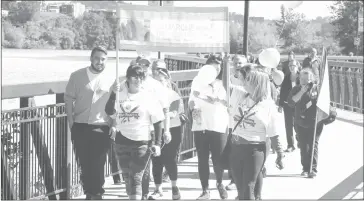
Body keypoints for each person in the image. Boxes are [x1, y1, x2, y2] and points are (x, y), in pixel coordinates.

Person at [113, 56, 172, 199]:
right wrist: (114, 125)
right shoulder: (122, 86)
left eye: (146, 66)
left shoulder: (154, 86)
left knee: (139, 175)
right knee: (130, 176)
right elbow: (115, 110)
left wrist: (166, 131)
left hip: (146, 133)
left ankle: (141, 195)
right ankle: (139, 195)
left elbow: (164, 109)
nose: (142, 68)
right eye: (139, 65)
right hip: (125, 135)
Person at [64, 46, 115, 199]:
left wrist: (115, 124)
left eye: (103, 59)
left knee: (98, 162)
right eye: (97, 58)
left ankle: (97, 193)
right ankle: (89, 192)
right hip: (80, 126)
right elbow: (68, 98)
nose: (100, 62)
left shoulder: (112, 78)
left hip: (101, 126)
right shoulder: (77, 76)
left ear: (107, 60)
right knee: (84, 163)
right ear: (91, 59)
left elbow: (118, 103)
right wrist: (71, 121)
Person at [229, 63, 284, 200]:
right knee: (240, 189)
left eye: (248, 80)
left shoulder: (268, 106)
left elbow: (274, 133)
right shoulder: (240, 95)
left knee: (248, 187)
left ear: (257, 84)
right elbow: (225, 85)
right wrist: (226, 63)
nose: (244, 82)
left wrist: (280, 154)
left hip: (254, 149)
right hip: (236, 147)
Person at [189, 55, 229, 200]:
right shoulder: (197, 80)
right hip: (201, 125)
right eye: (213, 66)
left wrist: (212, 99)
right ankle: (205, 190)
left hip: (218, 124)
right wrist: (193, 107)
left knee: (218, 159)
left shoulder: (223, 82)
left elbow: (225, 102)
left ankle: (219, 183)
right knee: (202, 158)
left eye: (218, 67)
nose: (216, 69)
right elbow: (191, 100)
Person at [148, 60, 187, 200]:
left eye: (161, 71)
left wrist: (166, 114)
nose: (157, 73)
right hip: (156, 128)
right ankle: (158, 189)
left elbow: (177, 110)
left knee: (170, 159)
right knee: (156, 159)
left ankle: (174, 186)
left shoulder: (173, 90)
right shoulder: (149, 90)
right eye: (155, 70)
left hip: (173, 128)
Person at [287, 68, 323, 178]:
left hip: (315, 121)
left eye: (307, 79)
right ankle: (305, 168)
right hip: (300, 122)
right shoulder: (296, 89)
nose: (304, 81)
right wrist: (302, 91)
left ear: (312, 79)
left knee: (313, 144)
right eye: (302, 79)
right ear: (299, 79)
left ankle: (313, 168)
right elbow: (291, 103)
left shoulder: (317, 89)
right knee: (303, 145)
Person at [225, 55, 248, 191]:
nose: (237, 64)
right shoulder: (228, 78)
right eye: (235, 62)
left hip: (248, 118)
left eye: (240, 62)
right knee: (233, 151)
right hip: (232, 119)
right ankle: (234, 179)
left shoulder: (251, 78)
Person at [279, 54, 301, 153]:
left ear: (297, 66)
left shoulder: (302, 77)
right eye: (290, 66)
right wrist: (280, 105)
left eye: (294, 66)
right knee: (288, 125)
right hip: (287, 104)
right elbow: (282, 91)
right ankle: (290, 145)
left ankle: (300, 140)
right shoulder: (286, 77)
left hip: (299, 105)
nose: (292, 67)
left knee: (298, 124)